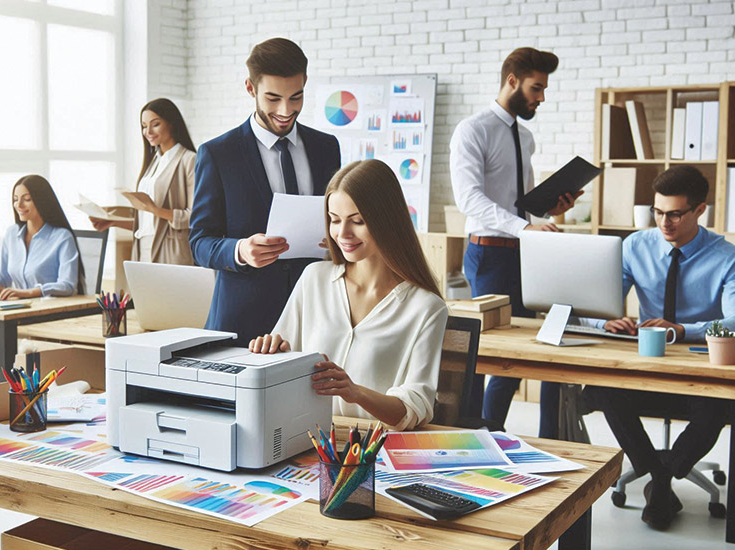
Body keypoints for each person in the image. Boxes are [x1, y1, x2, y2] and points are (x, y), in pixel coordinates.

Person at [584, 166, 735, 531]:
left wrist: (683, 330)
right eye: (657, 211)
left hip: (698, 373)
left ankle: (660, 479)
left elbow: (734, 321)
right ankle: (661, 476)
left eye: (674, 214)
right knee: (603, 387)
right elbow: (596, 304)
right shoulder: (636, 245)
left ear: (700, 210)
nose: (663, 222)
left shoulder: (726, 256)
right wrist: (605, 320)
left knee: (721, 402)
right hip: (646, 367)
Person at [248, 160, 448, 431]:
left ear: (387, 221)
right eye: (334, 220)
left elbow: (415, 408)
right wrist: (270, 351)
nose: (342, 234)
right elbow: (280, 370)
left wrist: (355, 392)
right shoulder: (313, 279)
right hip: (304, 439)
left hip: (374, 449)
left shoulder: (426, 308)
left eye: (358, 221)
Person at [449, 47, 579, 439]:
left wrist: (548, 212)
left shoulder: (525, 137)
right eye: (536, 88)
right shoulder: (473, 130)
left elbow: (519, 206)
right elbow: (469, 200)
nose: (541, 97)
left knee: (523, 352)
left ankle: (497, 432)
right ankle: (480, 434)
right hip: (488, 254)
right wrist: (524, 228)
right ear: (512, 81)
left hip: (524, 253)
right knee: (490, 352)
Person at [190, 37, 341, 346]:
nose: (286, 110)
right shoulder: (219, 154)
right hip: (242, 322)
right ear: (250, 88)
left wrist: (336, 238)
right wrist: (240, 250)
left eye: (296, 97)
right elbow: (199, 241)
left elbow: (339, 217)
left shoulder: (326, 148)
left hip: (315, 318)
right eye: (273, 99)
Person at [90, 98, 196, 265]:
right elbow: (147, 223)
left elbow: (195, 217)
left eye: (155, 124)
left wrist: (154, 209)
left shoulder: (189, 160)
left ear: (171, 123)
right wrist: (113, 221)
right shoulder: (154, 162)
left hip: (172, 251)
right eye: (144, 126)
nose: (148, 132)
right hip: (142, 249)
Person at [0, 175, 84, 299]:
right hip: (18, 308)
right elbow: (3, 277)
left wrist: (30, 293)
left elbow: (67, 285)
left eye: (27, 199)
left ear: (41, 201)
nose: (19, 205)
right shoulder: (12, 234)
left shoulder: (62, 237)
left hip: (48, 309)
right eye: (15, 199)